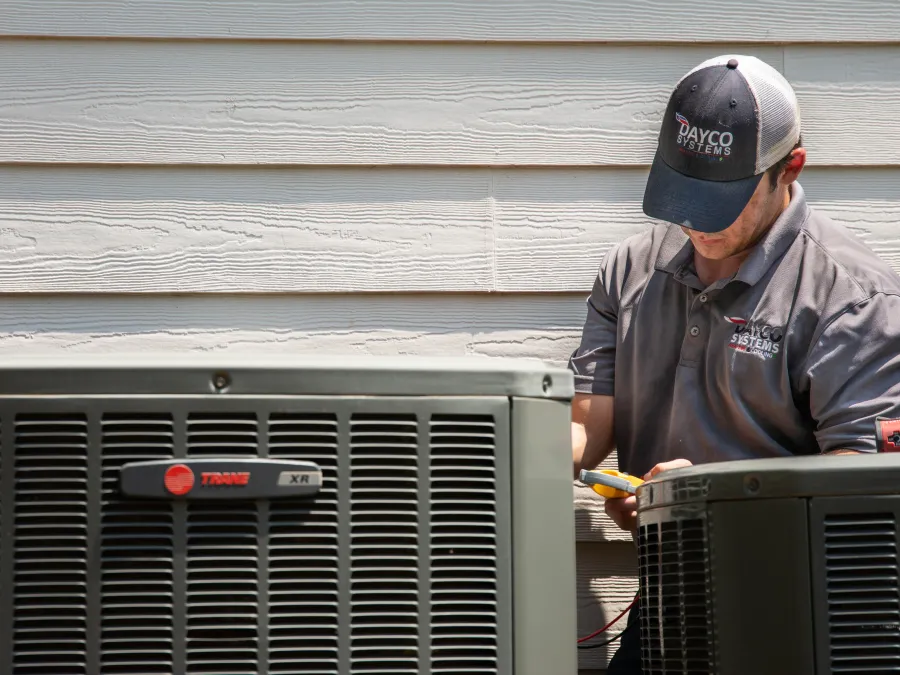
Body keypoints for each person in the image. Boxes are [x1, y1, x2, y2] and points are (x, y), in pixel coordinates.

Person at [568, 54, 900, 674]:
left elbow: (864, 491)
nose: (694, 220)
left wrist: (709, 503)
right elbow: (589, 424)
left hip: (803, 609)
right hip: (672, 596)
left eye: (720, 198)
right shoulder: (630, 270)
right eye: (682, 192)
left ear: (789, 168)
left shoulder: (851, 297)